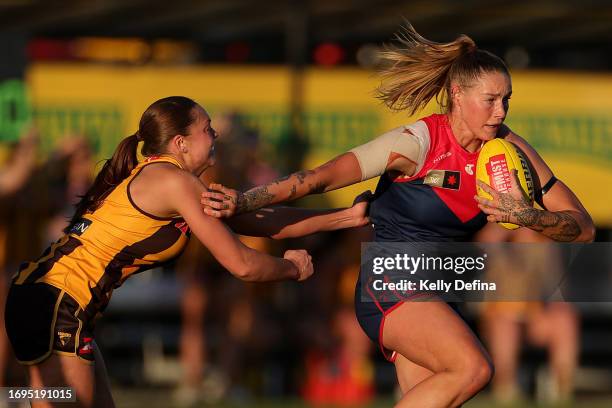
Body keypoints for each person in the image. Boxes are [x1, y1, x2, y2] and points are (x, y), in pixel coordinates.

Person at [201, 24, 595, 407]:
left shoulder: (510, 149)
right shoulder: (417, 144)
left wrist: (529, 217)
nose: (501, 111)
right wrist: (245, 200)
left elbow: (583, 228)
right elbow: (316, 180)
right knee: (474, 369)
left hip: (444, 288)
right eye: (490, 99)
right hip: (392, 282)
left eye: (507, 99)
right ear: (457, 95)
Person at [4, 96, 369, 408]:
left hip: (52, 302)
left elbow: (260, 221)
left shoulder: (172, 181)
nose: (216, 135)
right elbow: (241, 264)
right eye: (208, 128)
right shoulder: (174, 182)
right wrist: (290, 267)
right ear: (180, 142)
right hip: (55, 303)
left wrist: (343, 217)